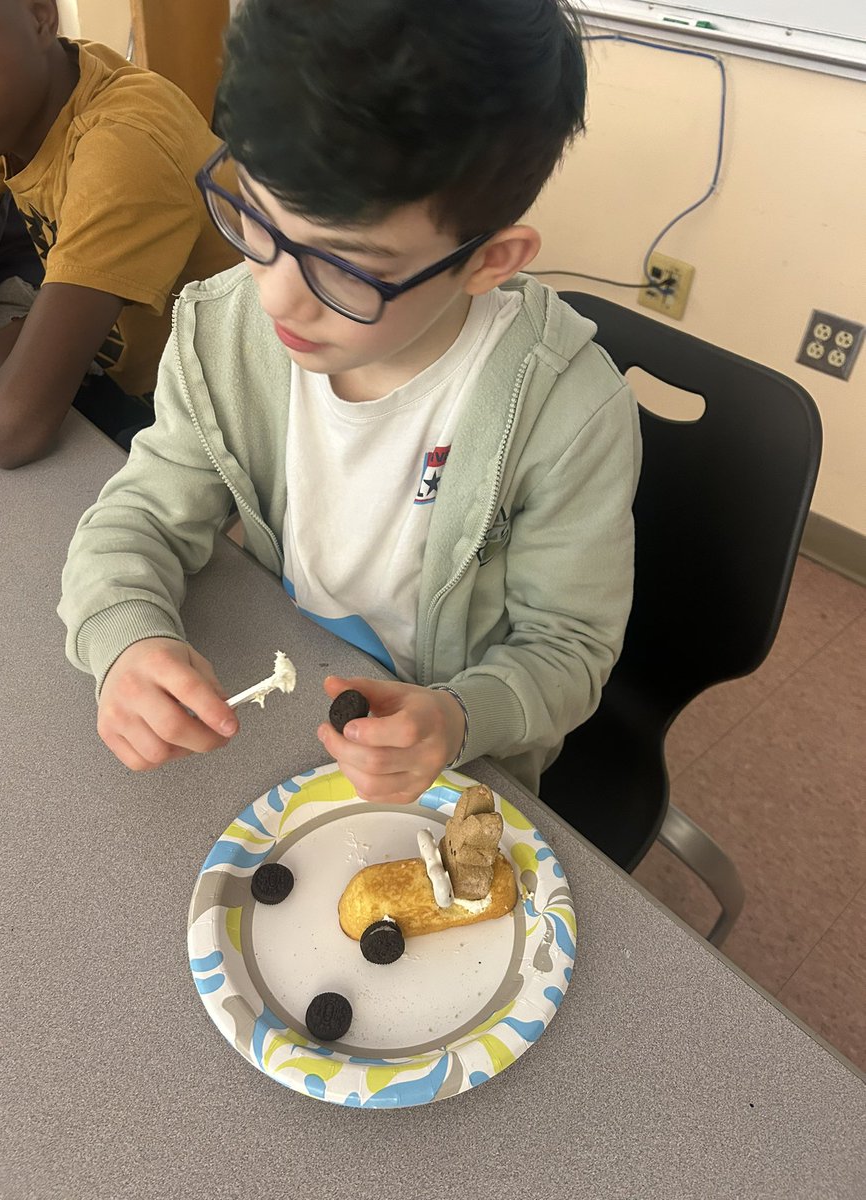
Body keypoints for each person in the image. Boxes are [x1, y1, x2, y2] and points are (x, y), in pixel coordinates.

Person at [59, 0, 642, 805]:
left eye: (347, 272)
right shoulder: (223, 332)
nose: (278, 299)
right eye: (257, 218)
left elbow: (567, 649)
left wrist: (458, 719)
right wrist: (127, 640)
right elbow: (139, 517)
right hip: (284, 694)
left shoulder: (565, 413)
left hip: (448, 764)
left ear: (488, 262)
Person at [0, 0, 238, 468]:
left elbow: (10, 429)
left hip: (222, 412)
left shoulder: (124, 144)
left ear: (40, 16)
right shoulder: (12, 104)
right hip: (136, 374)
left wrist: (7, 341)